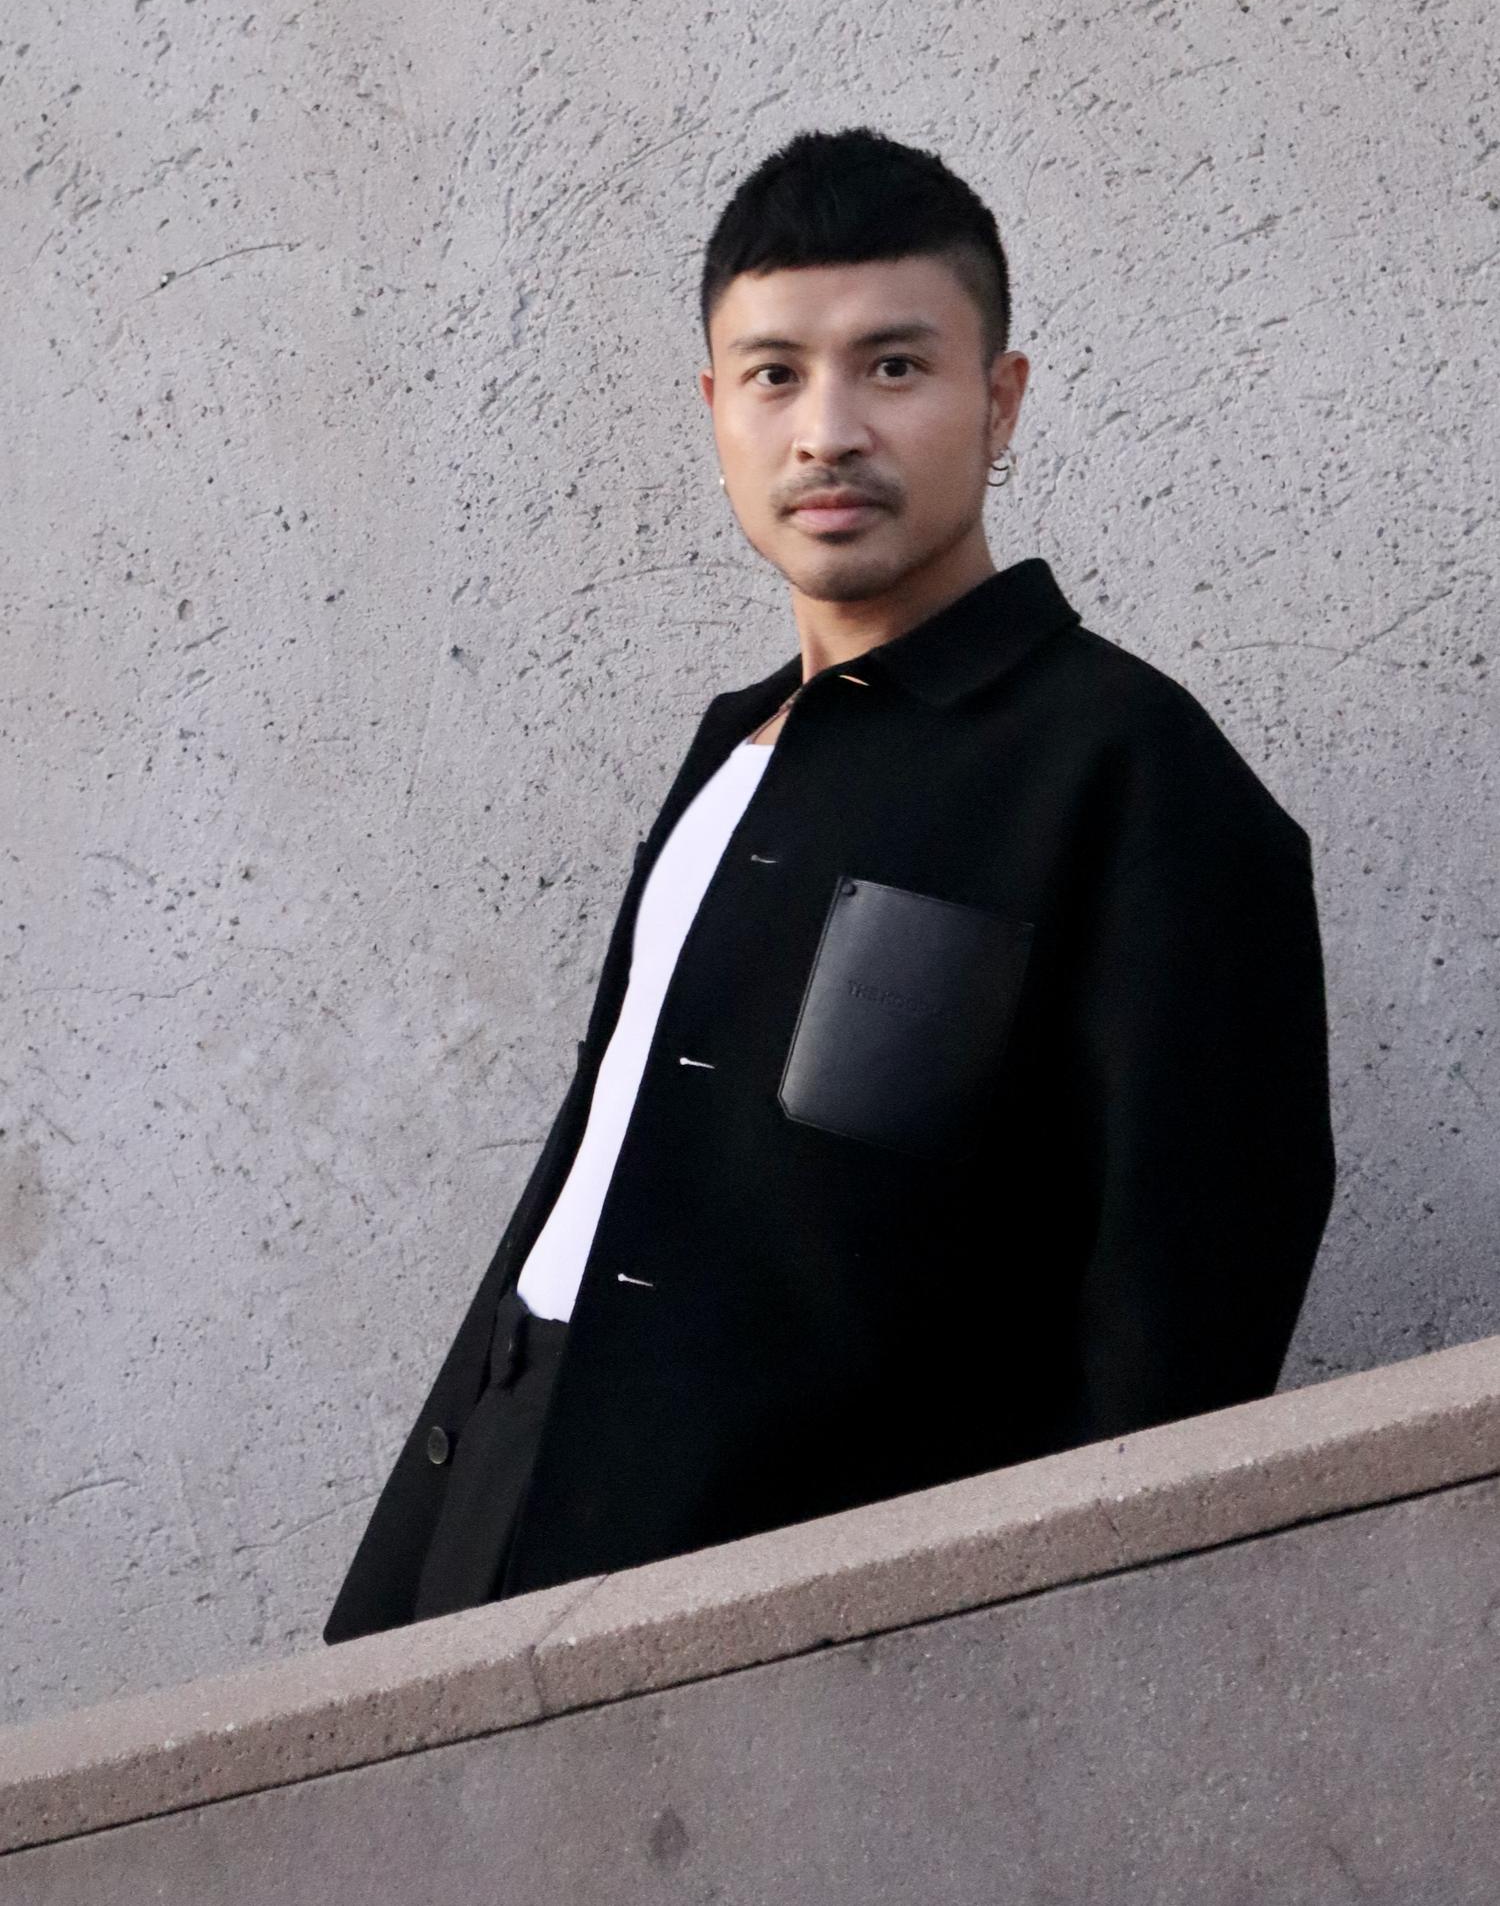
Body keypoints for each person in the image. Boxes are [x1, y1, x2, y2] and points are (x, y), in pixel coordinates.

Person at [324, 126, 1336, 1643]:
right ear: (715, 410)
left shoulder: (1129, 769)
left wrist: (1062, 1638)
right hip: (507, 1504)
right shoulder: (725, 753)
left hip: (827, 1624)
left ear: (1001, 401)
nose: (828, 431)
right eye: (776, 373)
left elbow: (1188, 1299)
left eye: (895, 366)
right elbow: (597, 1184)